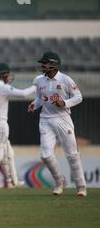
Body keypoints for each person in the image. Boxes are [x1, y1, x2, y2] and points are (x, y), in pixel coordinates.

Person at [28, 51, 87, 197]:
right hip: (46, 120)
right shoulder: (39, 80)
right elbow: (40, 99)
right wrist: (34, 105)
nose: (42, 65)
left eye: (45, 63)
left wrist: (65, 102)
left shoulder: (65, 80)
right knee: (45, 155)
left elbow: (79, 97)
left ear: (53, 64)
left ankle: (81, 187)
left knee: (72, 154)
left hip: (63, 119)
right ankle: (60, 181)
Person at [0, 63, 36, 188]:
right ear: (3, 75)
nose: (9, 77)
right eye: (8, 74)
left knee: (8, 154)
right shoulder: (4, 88)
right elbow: (24, 93)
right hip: (1, 125)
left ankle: (11, 181)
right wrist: (36, 86)